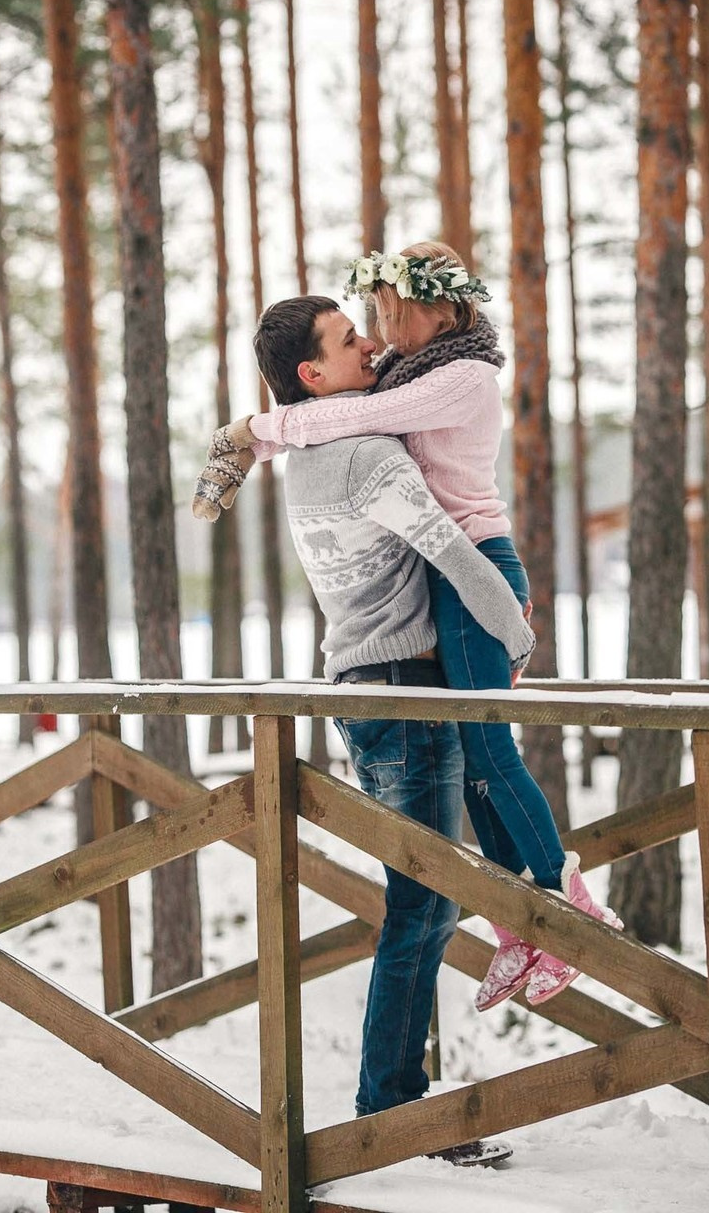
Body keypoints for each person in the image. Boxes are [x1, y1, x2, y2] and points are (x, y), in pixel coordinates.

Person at [197, 243, 616, 1012]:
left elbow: (356, 414)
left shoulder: (459, 377)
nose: (376, 331)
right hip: (451, 581)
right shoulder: (406, 367)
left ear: (429, 305)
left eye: (386, 312)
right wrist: (241, 452)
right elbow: (331, 412)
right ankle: (519, 926)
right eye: (369, 319)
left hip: (479, 569)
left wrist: (251, 426)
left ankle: (571, 909)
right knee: (479, 768)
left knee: (491, 749)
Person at [249, 293, 537, 1166]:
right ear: (312, 375)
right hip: (404, 692)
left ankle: (397, 1105)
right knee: (423, 903)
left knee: (425, 899)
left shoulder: (307, 457)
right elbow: (451, 547)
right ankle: (392, 1113)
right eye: (347, 340)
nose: (367, 343)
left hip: (361, 686)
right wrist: (517, 631)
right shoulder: (368, 454)